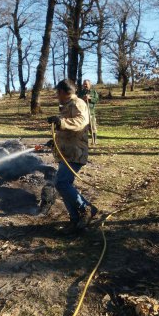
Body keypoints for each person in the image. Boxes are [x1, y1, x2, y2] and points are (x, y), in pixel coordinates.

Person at [47, 79, 98, 233]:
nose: (57, 96)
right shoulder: (67, 106)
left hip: (75, 153)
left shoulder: (78, 103)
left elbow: (81, 122)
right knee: (61, 184)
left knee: (62, 183)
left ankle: (86, 208)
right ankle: (75, 220)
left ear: (62, 92)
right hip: (67, 153)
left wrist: (61, 123)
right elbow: (67, 128)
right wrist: (55, 140)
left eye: (57, 93)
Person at [78, 80, 100, 145]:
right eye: (84, 84)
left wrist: (90, 99)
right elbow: (77, 101)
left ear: (89, 85)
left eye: (86, 84)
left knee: (92, 127)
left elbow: (97, 100)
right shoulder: (81, 92)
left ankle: (94, 141)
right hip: (82, 113)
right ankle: (83, 142)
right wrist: (83, 99)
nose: (85, 85)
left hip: (91, 113)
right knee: (82, 128)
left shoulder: (93, 92)